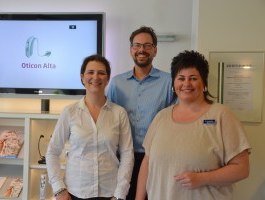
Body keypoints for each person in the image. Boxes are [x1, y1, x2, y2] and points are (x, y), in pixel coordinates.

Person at [136, 50, 251, 200]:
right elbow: (147, 162)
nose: (186, 84)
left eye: (193, 78)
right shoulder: (161, 117)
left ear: (204, 83)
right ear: (174, 83)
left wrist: (202, 178)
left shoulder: (221, 115)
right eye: (181, 78)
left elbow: (242, 169)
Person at [46, 54, 134, 200]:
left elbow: (127, 155)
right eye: (90, 72)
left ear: (107, 78)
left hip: (110, 193)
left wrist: (120, 194)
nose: (96, 77)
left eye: (101, 73)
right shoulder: (69, 112)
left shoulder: (119, 113)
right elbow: (53, 152)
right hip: (75, 193)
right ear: (82, 77)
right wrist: (58, 189)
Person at [107, 26, 174, 199]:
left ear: (155, 50)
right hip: (122, 158)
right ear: (131, 50)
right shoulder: (117, 83)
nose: (141, 50)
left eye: (147, 45)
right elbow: (110, 119)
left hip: (155, 157)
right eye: (136, 45)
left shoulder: (168, 82)